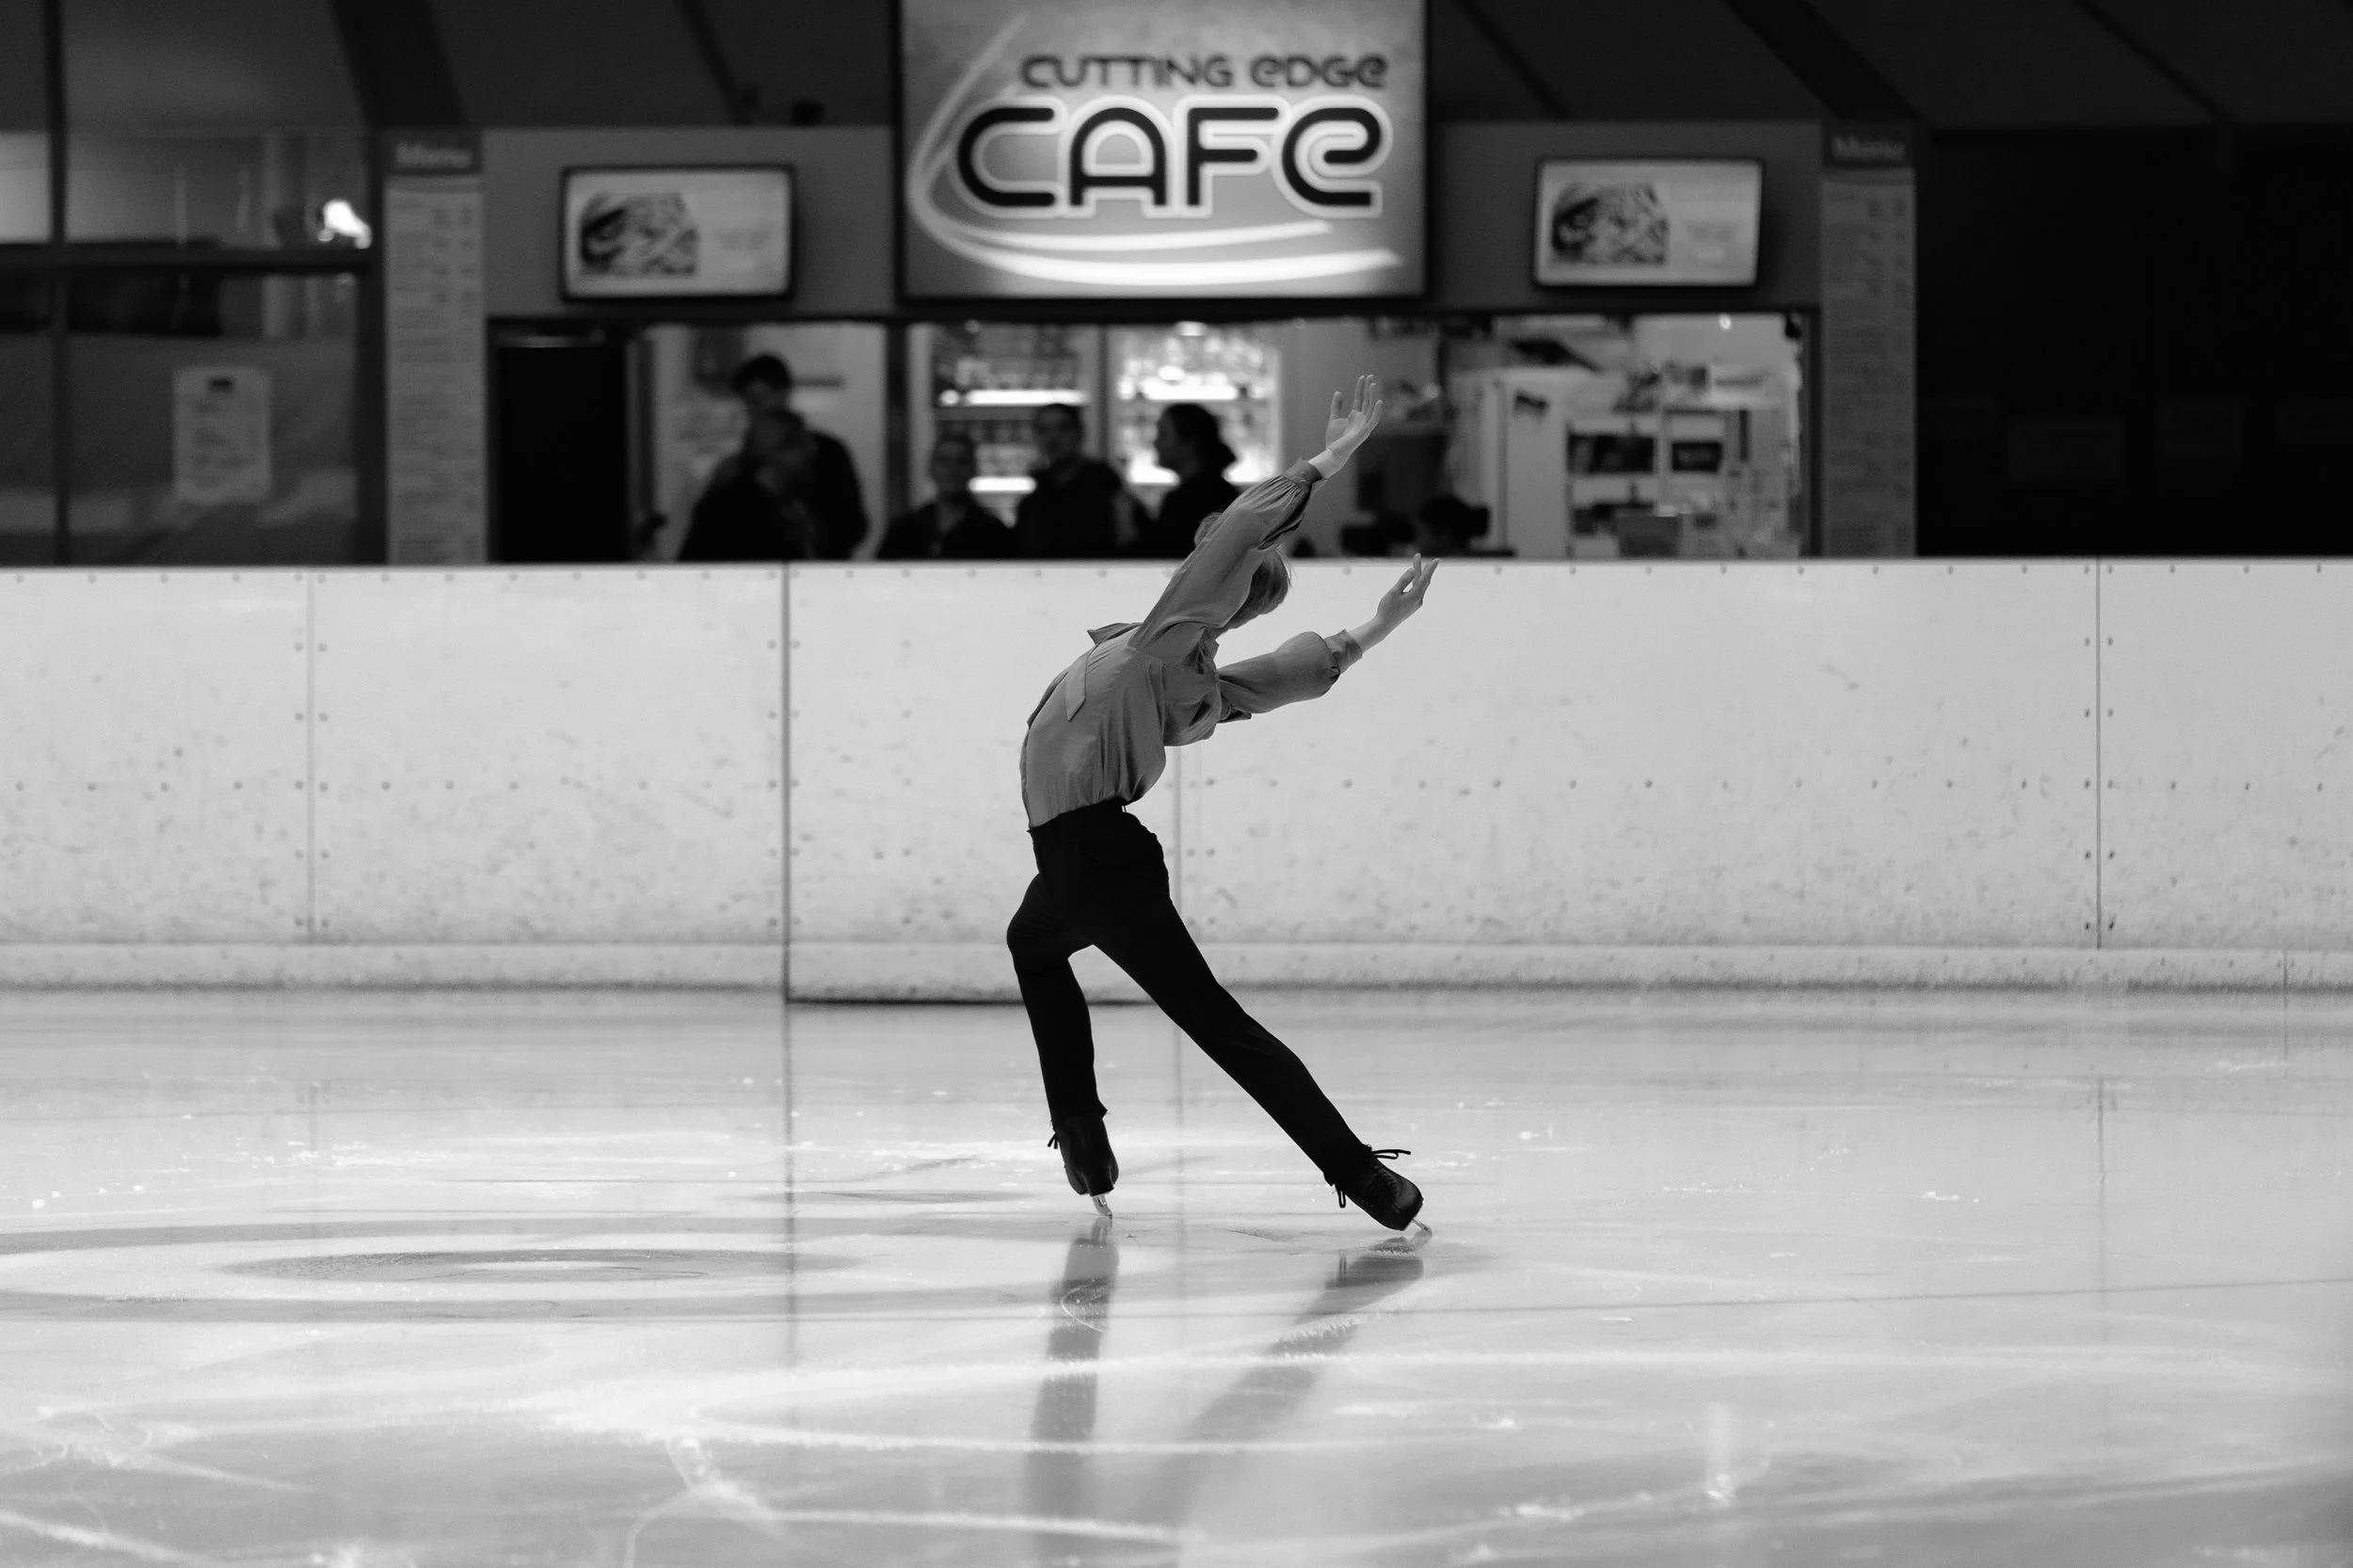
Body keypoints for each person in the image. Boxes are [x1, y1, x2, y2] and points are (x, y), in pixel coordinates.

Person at [1005, 376, 1441, 1230]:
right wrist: (1377, 622)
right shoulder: (1171, 663)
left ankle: (1360, 1174)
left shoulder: (1167, 647)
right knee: (1033, 947)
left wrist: (1327, 461)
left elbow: (1248, 556)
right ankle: (1082, 1136)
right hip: (1074, 861)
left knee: (1217, 1025)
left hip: (1094, 858)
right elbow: (1279, 667)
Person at [698, 353, 870, 560]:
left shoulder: (829, 454)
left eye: (757, 399)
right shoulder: (735, 470)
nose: (754, 410)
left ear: (784, 392)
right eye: (748, 403)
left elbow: (851, 524)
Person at [678, 408, 819, 562]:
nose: (812, 450)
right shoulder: (729, 508)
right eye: (801, 444)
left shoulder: (795, 501)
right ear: (775, 452)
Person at [877, 433, 1017, 561]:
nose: (952, 470)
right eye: (944, 461)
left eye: (962, 461)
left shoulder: (994, 533)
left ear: (974, 469)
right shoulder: (904, 530)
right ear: (931, 468)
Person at [1129, 402, 1241, 560]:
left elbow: (1163, 555)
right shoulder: (1223, 492)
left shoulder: (1185, 501)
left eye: (1163, 434)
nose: (1155, 443)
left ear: (1190, 444)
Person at [1015, 403, 1128, 558]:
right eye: (1044, 430)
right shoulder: (1032, 502)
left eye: (1063, 428)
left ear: (1080, 433)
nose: (1053, 438)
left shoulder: (1106, 488)